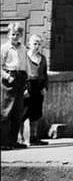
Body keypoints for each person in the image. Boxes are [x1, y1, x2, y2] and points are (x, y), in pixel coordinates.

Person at [1, 22, 28, 150]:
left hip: (21, 77)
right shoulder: (4, 48)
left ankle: (13, 140)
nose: (15, 37)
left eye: (18, 34)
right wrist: (7, 76)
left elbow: (25, 65)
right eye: (13, 34)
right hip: (9, 78)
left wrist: (26, 83)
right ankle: (3, 142)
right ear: (8, 35)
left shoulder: (23, 48)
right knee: (7, 111)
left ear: (21, 35)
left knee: (18, 111)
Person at [21, 35, 49, 146]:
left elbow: (45, 74)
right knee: (23, 113)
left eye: (39, 44)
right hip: (28, 86)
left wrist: (44, 87)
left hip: (39, 86)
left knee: (36, 113)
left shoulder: (42, 58)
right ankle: (20, 139)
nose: (37, 46)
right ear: (29, 44)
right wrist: (24, 89)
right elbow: (22, 74)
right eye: (35, 43)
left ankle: (34, 138)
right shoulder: (24, 57)